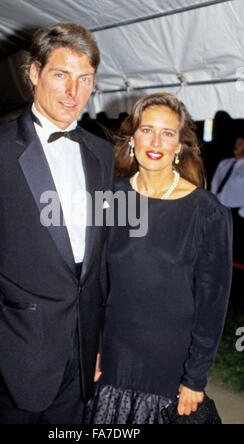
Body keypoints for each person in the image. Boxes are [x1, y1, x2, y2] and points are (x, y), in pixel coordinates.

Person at [0, 23, 114, 424]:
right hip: (15, 356)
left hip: (82, 354)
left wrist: (99, 340)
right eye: (61, 74)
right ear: (34, 73)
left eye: (84, 78)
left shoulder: (101, 154)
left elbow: (98, 261)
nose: (73, 91)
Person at [86, 93, 233, 424]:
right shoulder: (108, 198)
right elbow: (94, 284)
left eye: (167, 133)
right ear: (132, 138)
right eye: (146, 129)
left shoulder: (207, 212)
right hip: (112, 358)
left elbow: (212, 304)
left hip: (169, 365)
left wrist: (195, 377)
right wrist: (91, 347)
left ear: (179, 145)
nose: (155, 141)